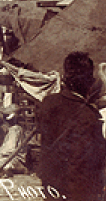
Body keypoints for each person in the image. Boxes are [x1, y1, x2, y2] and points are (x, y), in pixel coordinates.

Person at [38, 51, 106, 201]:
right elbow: (94, 161)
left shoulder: (48, 103)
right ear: (89, 81)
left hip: (51, 184)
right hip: (79, 191)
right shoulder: (89, 116)